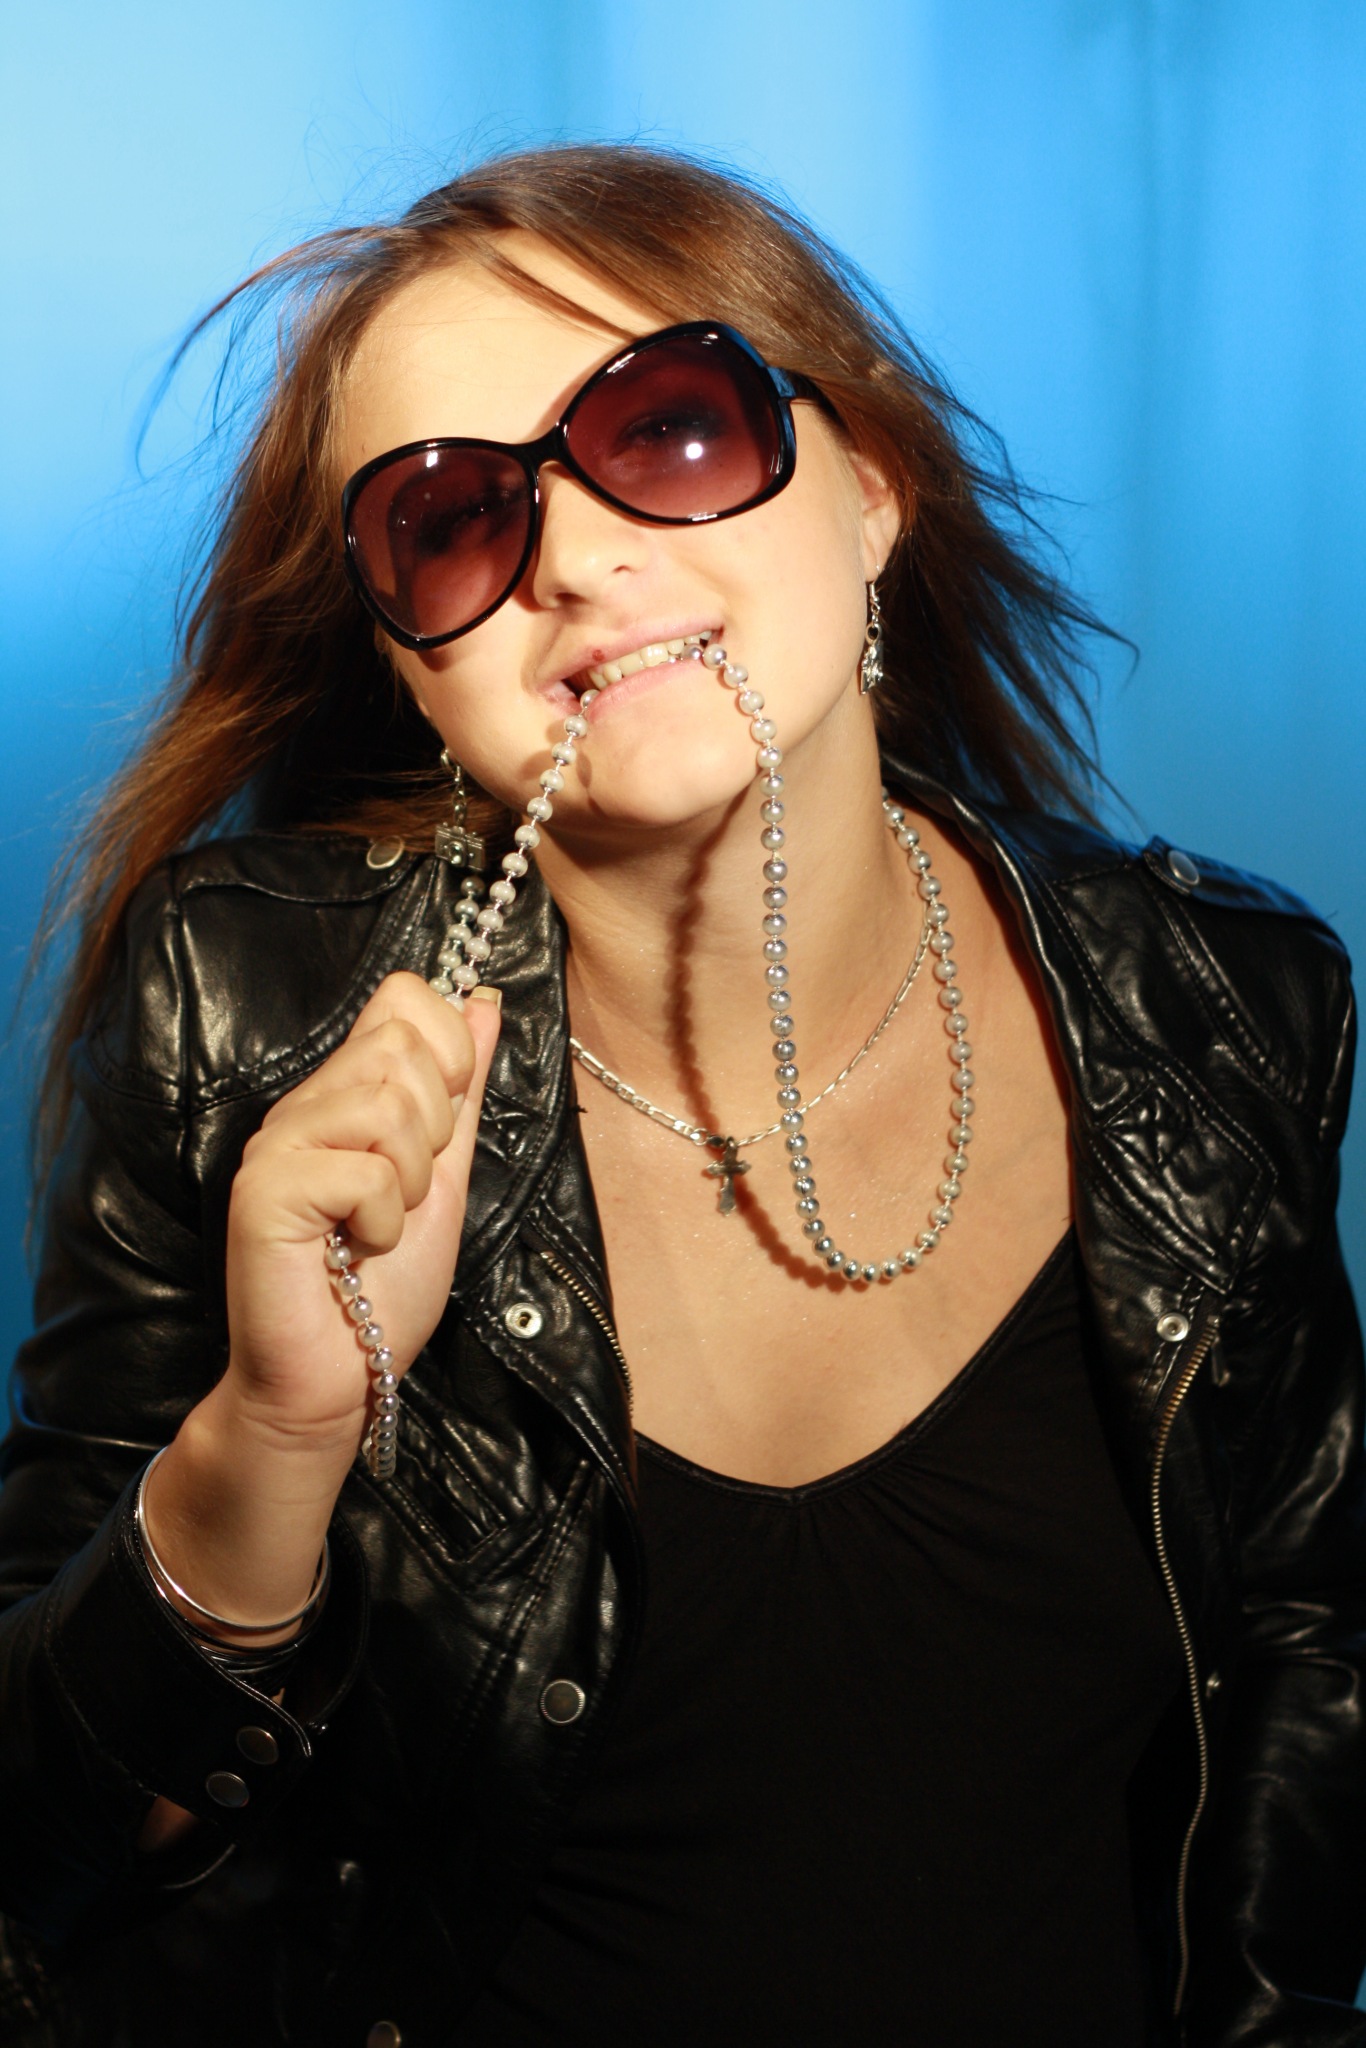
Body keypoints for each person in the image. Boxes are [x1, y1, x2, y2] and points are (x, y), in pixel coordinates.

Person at [0, 142, 1361, 2048]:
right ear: (411, 667)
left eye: (668, 426)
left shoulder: (1225, 1002)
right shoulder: (244, 1009)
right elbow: (42, 1866)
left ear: (869, 491)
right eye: (451, 520)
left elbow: (1299, 1669)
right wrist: (275, 1436)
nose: (572, 557)